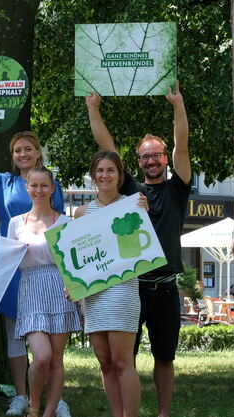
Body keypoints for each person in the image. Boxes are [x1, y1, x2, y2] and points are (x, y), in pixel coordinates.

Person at [86, 80, 191, 417]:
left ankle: (161, 413)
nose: (151, 161)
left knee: (164, 356)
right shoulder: (129, 190)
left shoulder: (178, 188)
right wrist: (93, 108)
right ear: (138, 161)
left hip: (165, 288)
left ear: (165, 158)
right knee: (121, 359)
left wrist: (177, 106)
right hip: (129, 287)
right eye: (144, 157)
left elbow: (183, 147)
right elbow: (107, 145)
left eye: (156, 155)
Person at [0, 116, 70, 417]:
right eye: (17, 151)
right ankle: (21, 396)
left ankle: (54, 398)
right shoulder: (3, 182)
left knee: (49, 335)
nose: (23, 155)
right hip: (11, 270)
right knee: (15, 332)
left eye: (28, 149)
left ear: (38, 153)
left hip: (44, 270)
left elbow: (59, 229)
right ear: (13, 157)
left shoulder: (51, 185)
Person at [75, 151, 148, 417]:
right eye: (100, 170)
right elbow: (79, 261)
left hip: (123, 290)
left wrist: (143, 212)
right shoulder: (82, 213)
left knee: (121, 361)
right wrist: (76, 289)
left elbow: (143, 248)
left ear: (120, 175)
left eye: (110, 170)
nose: (104, 175)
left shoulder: (134, 205)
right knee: (105, 363)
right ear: (94, 175)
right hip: (94, 296)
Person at [7, 166, 80, 417]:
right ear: (27, 188)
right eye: (33, 185)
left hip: (60, 288)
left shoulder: (64, 222)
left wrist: (76, 290)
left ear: (52, 189)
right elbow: (8, 261)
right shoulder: (16, 223)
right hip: (30, 288)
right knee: (41, 356)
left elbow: (73, 262)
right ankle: (34, 406)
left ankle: (49, 412)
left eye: (43, 186)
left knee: (56, 359)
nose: (38, 190)